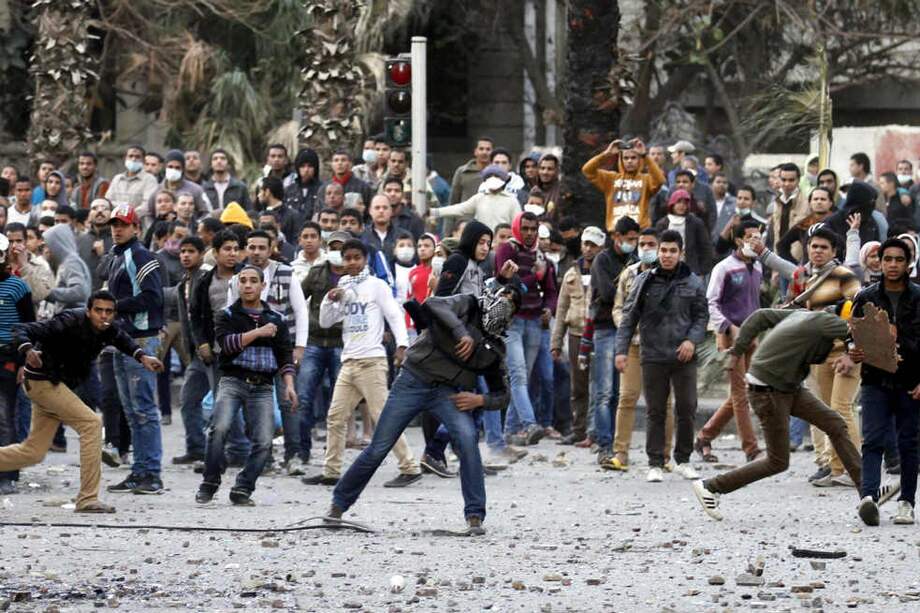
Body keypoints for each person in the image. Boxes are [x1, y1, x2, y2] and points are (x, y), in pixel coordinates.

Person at [327, 278, 520, 535]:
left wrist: (480, 400)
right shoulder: (467, 304)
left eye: (512, 303)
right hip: (412, 380)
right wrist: (460, 331)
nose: (504, 304)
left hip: (448, 393)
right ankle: (337, 507)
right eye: (503, 296)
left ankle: (475, 517)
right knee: (379, 447)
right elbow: (433, 304)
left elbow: (503, 394)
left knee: (467, 441)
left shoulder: (494, 347)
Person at [692, 306, 862, 521]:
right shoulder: (828, 322)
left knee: (835, 424)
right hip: (768, 391)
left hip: (788, 387)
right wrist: (851, 352)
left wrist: (736, 352)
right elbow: (855, 332)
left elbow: (760, 316)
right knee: (777, 461)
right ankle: (711, 486)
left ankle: (867, 491)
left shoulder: (801, 315)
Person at [3, 291, 163, 511]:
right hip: (43, 382)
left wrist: (142, 356)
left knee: (33, 451)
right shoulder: (68, 321)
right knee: (91, 424)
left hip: (55, 385)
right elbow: (22, 329)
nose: (104, 316)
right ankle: (88, 499)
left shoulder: (108, 329)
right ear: (89, 311)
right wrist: (28, 350)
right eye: (99, 310)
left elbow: (122, 339)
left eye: (109, 311)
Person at [302, 239, 422, 487]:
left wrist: (402, 345)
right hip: (349, 362)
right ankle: (331, 471)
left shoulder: (376, 286)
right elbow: (325, 321)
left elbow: (394, 314)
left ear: (365, 259)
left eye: (357, 257)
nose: (352, 262)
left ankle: (410, 467)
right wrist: (329, 300)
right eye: (348, 258)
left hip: (372, 361)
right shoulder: (343, 286)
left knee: (384, 417)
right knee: (335, 417)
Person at [195, 265, 297, 506]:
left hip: (262, 387)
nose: (248, 285)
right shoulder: (227, 316)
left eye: (254, 281)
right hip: (232, 381)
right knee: (218, 429)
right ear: (237, 285)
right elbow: (227, 345)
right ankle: (210, 482)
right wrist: (259, 332)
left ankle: (243, 488)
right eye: (244, 281)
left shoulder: (277, 320)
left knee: (263, 441)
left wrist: (289, 385)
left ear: (263, 286)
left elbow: (285, 356)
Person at [615, 229, 708, 483]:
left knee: (687, 407)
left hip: (683, 356)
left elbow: (701, 316)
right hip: (653, 354)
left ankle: (683, 460)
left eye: (672, 251)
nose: (667, 255)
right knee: (655, 411)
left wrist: (692, 340)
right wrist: (621, 350)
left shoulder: (694, 282)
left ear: (681, 253)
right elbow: (629, 317)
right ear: (658, 252)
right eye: (663, 250)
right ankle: (655, 462)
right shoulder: (644, 280)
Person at [849, 238, 920, 526]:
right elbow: (851, 333)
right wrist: (852, 352)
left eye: (898, 259)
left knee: (909, 443)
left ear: (908, 263)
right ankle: (868, 498)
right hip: (875, 379)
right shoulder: (865, 297)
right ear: (879, 262)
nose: (892, 265)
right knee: (873, 439)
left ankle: (907, 502)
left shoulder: (918, 298)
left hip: (911, 381)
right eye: (887, 259)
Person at [227, 229, 308, 472]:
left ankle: (293, 455)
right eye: (252, 247)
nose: (256, 252)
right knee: (255, 402)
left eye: (262, 247)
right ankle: (264, 457)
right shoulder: (238, 277)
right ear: (245, 248)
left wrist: (300, 347)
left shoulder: (286, 273)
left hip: (283, 348)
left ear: (271, 248)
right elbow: (230, 313)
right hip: (251, 351)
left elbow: (301, 311)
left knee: (288, 401)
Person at [98, 205, 166, 495]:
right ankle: (140, 471)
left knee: (144, 409)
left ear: (136, 228)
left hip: (141, 339)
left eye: (123, 224)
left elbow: (153, 297)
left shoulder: (142, 256)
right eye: (114, 224)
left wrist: (113, 308)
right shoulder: (116, 257)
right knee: (131, 409)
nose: (117, 229)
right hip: (122, 338)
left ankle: (151, 473)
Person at [695, 220, 765, 463]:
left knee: (739, 393)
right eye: (751, 236)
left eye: (759, 236)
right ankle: (751, 448)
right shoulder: (724, 268)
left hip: (751, 334)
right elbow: (711, 302)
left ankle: (705, 436)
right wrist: (727, 327)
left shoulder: (757, 268)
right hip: (730, 337)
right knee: (740, 393)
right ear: (738, 240)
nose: (756, 241)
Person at [605, 228, 674, 470]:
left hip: (660, 348)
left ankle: (665, 456)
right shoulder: (628, 274)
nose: (646, 248)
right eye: (642, 244)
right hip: (633, 346)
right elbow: (618, 307)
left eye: (651, 244)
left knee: (663, 402)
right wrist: (624, 325)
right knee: (627, 397)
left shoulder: (671, 276)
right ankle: (620, 454)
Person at [495, 212, 557, 446]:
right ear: (517, 228)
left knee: (522, 378)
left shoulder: (540, 255)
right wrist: (533, 276)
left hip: (533, 322)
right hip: (511, 321)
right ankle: (530, 424)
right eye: (526, 228)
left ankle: (509, 432)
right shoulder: (506, 250)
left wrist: (549, 308)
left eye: (534, 228)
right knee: (518, 375)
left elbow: (551, 291)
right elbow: (509, 286)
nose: (530, 233)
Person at [579, 216, 639, 450]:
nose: (632, 243)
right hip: (605, 329)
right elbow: (606, 293)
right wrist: (628, 296)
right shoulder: (602, 261)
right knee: (603, 391)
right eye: (629, 239)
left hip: (625, 329)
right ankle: (603, 441)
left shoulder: (634, 260)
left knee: (617, 391)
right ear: (617, 237)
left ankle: (614, 439)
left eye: (636, 239)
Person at [297, 231, 349, 468]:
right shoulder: (317, 273)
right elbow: (298, 299)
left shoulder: (355, 276)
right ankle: (302, 450)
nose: (337, 252)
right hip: (315, 342)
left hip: (342, 344)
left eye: (342, 247)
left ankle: (333, 451)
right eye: (334, 247)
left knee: (338, 401)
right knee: (304, 397)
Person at [551, 226, 604, 446]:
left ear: (601, 247)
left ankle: (598, 431)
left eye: (593, 245)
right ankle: (579, 429)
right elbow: (562, 308)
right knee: (578, 385)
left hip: (599, 333)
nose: (588, 249)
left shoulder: (606, 271)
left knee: (600, 385)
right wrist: (556, 342)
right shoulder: (571, 273)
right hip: (574, 334)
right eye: (586, 244)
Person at [582, 138, 665, 231]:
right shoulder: (611, 179)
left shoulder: (645, 179)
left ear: (640, 160)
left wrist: (645, 156)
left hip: (639, 231)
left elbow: (660, 180)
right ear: (621, 160)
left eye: (633, 158)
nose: (629, 161)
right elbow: (587, 170)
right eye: (626, 158)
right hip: (616, 232)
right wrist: (606, 154)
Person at [430, 165, 522, 231]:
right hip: (483, 243)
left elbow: (517, 225)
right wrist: (434, 212)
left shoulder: (511, 200)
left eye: (497, 176)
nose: (493, 179)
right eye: (490, 176)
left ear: (504, 180)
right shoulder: (479, 198)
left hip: (503, 243)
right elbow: (459, 209)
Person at [654, 188, 712, 275]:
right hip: (666, 266)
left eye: (685, 203)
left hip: (691, 269)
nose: (681, 206)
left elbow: (705, 247)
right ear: (672, 203)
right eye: (678, 202)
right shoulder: (662, 223)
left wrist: (702, 271)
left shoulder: (696, 223)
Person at [143, 149, 210, 222]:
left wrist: (196, 226)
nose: (173, 170)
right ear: (165, 168)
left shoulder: (196, 190)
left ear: (183, 169)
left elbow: (206, 213)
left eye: (177, 167)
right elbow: (148, 214)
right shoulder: (156, 190)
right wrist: (153, 229)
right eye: (170, 167)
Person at [284, 149, 322, 221]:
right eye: (302, 166)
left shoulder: (322, 189)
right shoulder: (289, 190)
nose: (306, 170)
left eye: (310, 166)